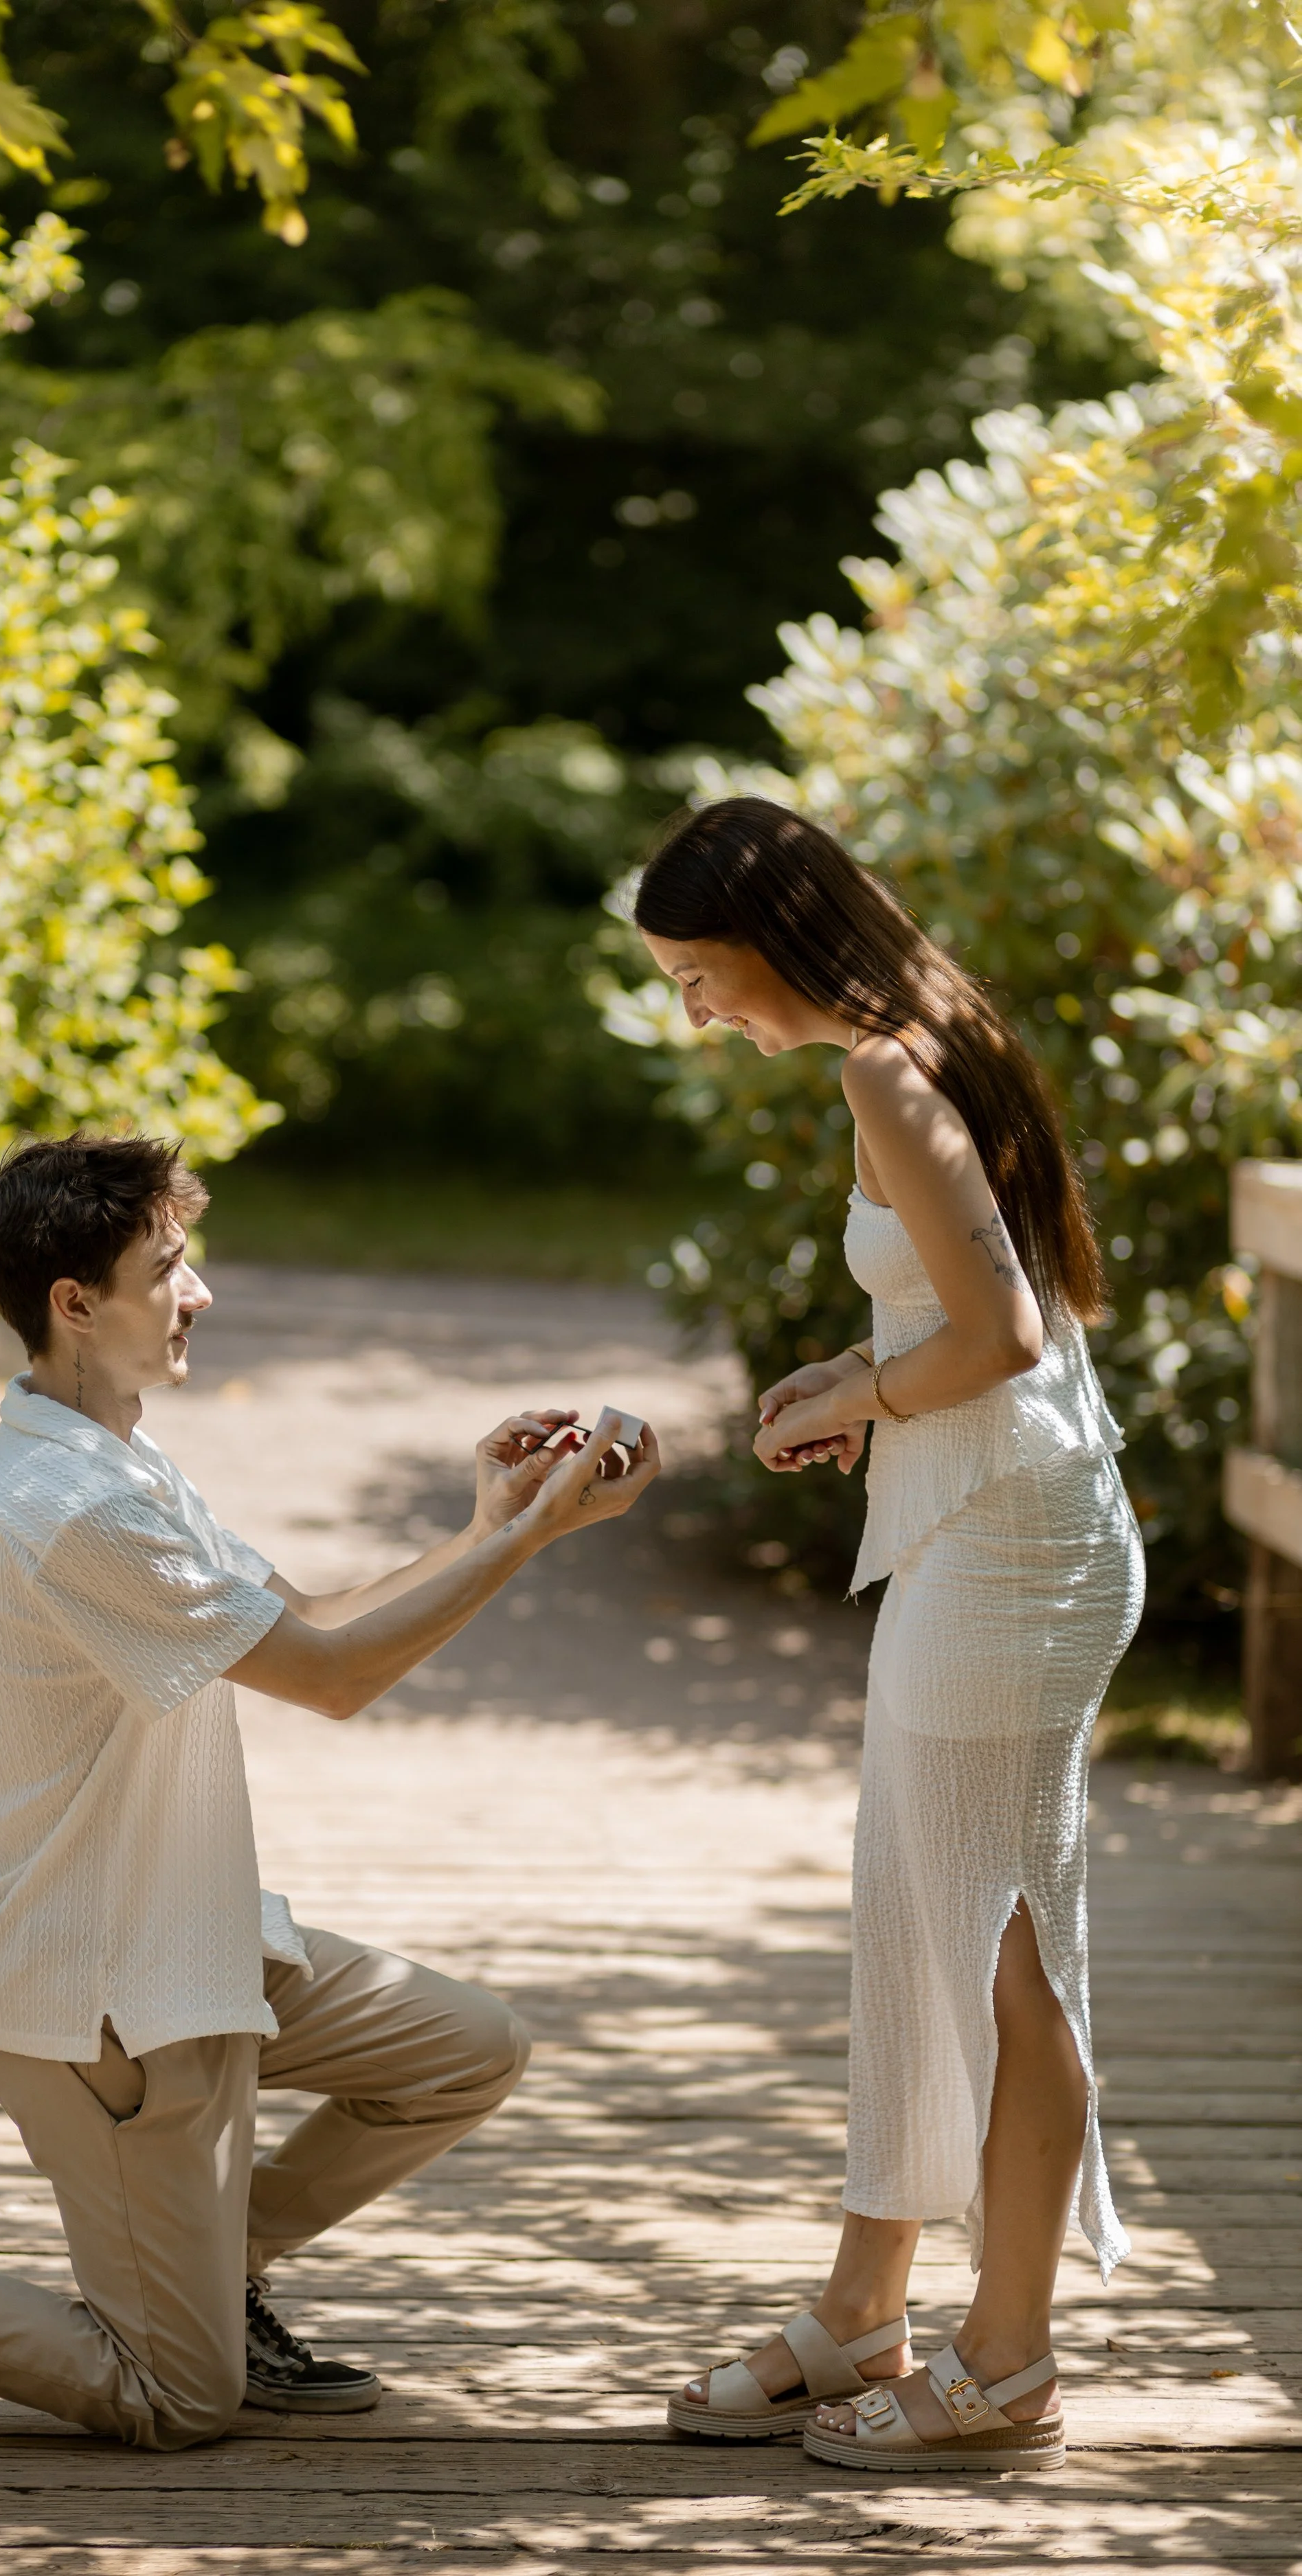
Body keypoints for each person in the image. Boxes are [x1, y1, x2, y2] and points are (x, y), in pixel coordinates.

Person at [0, 1130, 660, 2449]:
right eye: (168, 1268)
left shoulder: (118, 1456)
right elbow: (333, 1677)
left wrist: (490, 1521)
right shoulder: (73, 1507)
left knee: (467, 2047)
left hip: (201, 1944)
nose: (199, 1292)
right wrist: (538, 1538)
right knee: (176, 2398)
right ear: (74, 1304)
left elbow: (313, 1614)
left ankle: (211, 2267)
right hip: (111, 1998)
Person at [638, 799, 1141, 2474]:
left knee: (999, 1952)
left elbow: (995, 1333)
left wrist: (864, 1388)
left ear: (775, 942)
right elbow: (980, 1318)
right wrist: (872, 1397)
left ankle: (1005, 2368)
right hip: (984, 1523)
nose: (695, 1012)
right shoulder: (933, 1027)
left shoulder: (882, 1066)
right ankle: (866, 2309)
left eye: (700, 977)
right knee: (917, 1922)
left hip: (1009, 1550)